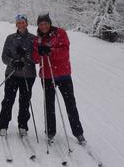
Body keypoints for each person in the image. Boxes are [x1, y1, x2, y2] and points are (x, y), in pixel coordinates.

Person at [32, 13, 86, 145]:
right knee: (49, 105)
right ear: (38, 25)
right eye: (41, 24)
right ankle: (50, 132)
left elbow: (64, 52)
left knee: (70, 104)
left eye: (46, 23)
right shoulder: (37, 39)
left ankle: (78, 133)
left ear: (50, 23)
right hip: (47, 76)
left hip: (63, 75)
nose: (43, 26)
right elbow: (35, 59)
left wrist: (50, 51)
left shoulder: (60, 33)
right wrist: (38, 52)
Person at [0, 14, 37, 137]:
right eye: (18, 22)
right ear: (16, 24)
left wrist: (26, 56)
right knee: (8, 100)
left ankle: (23, 125)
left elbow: (37, 59)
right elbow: (4, 57)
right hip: (12, 74)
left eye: (23, 22)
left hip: (28, 75)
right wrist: (13, 62)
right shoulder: (10, 38)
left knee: (25, 101)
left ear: (27, 23)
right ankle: (3, 125)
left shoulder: (33, 39)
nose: (21, 24)